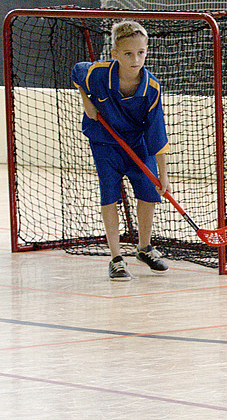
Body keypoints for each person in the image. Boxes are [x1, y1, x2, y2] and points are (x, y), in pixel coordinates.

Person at [72, 20, 171, 282]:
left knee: (149, 193)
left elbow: (157, 133)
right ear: (115, 54)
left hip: (138, 144)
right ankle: (116, 258)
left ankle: (144, 248)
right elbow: (76, 70)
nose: (135, 59)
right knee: (110, 195)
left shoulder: (152, 88)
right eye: (128, 53)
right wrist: (86, 101)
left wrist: (163, 175)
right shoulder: (98, 74)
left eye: (141, 52)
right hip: (105, 142)